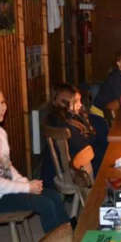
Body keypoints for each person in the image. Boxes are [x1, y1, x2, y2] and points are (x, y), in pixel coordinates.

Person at [0, 89, 69, 233]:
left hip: (7, 190)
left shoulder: (1, 133)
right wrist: (26, 188)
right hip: (2, 196)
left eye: (2, 102)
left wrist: (25, 182)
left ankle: (69, 235)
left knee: (54, 196)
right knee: (46, 204)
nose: (2, 108)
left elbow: (7, 167)